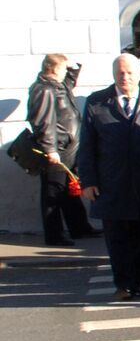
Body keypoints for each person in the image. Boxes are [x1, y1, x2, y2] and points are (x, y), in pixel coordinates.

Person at [76, 54, 140, 300]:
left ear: (139, 73)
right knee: (116, 238)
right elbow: (87, 146)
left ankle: (138, 282)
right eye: (120, 73)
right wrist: (88, 181)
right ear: (114, 74)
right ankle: (123, 284)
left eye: (129, 73)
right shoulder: (97, 102)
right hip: (110, 183)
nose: (125, 78)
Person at [27, 52, 98, 245]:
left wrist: (74, 66)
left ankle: (79, 227)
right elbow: (43, 121)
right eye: (64, 68)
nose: (66, 72)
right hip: (57, 149)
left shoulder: (57, 85)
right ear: (55, 69)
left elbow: (70, 81)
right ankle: (54, 234)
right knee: (53, 192)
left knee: (69, 190)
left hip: (68, 148)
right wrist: (50, 148)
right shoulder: (44, 89)